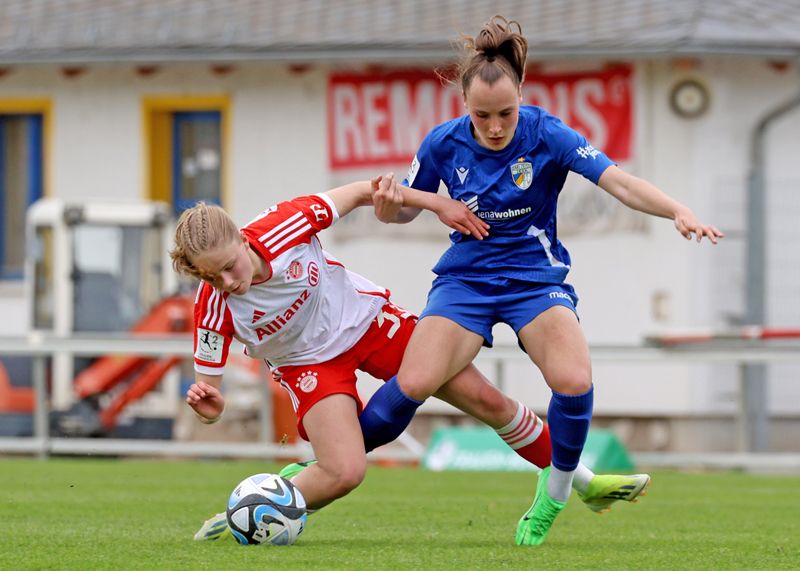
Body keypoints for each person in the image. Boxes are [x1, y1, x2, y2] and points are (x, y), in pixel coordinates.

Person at [358, 15, 724, 546]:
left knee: (574, 380)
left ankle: (553, 495)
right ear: (464, 105)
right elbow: (401, 212)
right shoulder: (443, 143)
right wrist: (390, 208)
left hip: (534, 279)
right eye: (482, 115)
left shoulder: (548, 133)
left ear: (521, 97)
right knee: (414, 382)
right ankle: (326, 465)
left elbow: (619, 182)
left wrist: (677, 211)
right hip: (467, 281)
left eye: (505, 113)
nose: (495, 126)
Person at [170, 174, 650, 542]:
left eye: (230, 267)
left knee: (488, 400)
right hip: (306, 365)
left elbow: (364, 191)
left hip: (370, 322)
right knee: (345, 472)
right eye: (213, 277)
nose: (229, 282)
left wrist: (438, 204)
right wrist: (210, 408)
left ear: (241, 238)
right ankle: (249, 514)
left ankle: (581, 483)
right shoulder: (213, 306)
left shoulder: (285, 224)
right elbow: (210, 388)